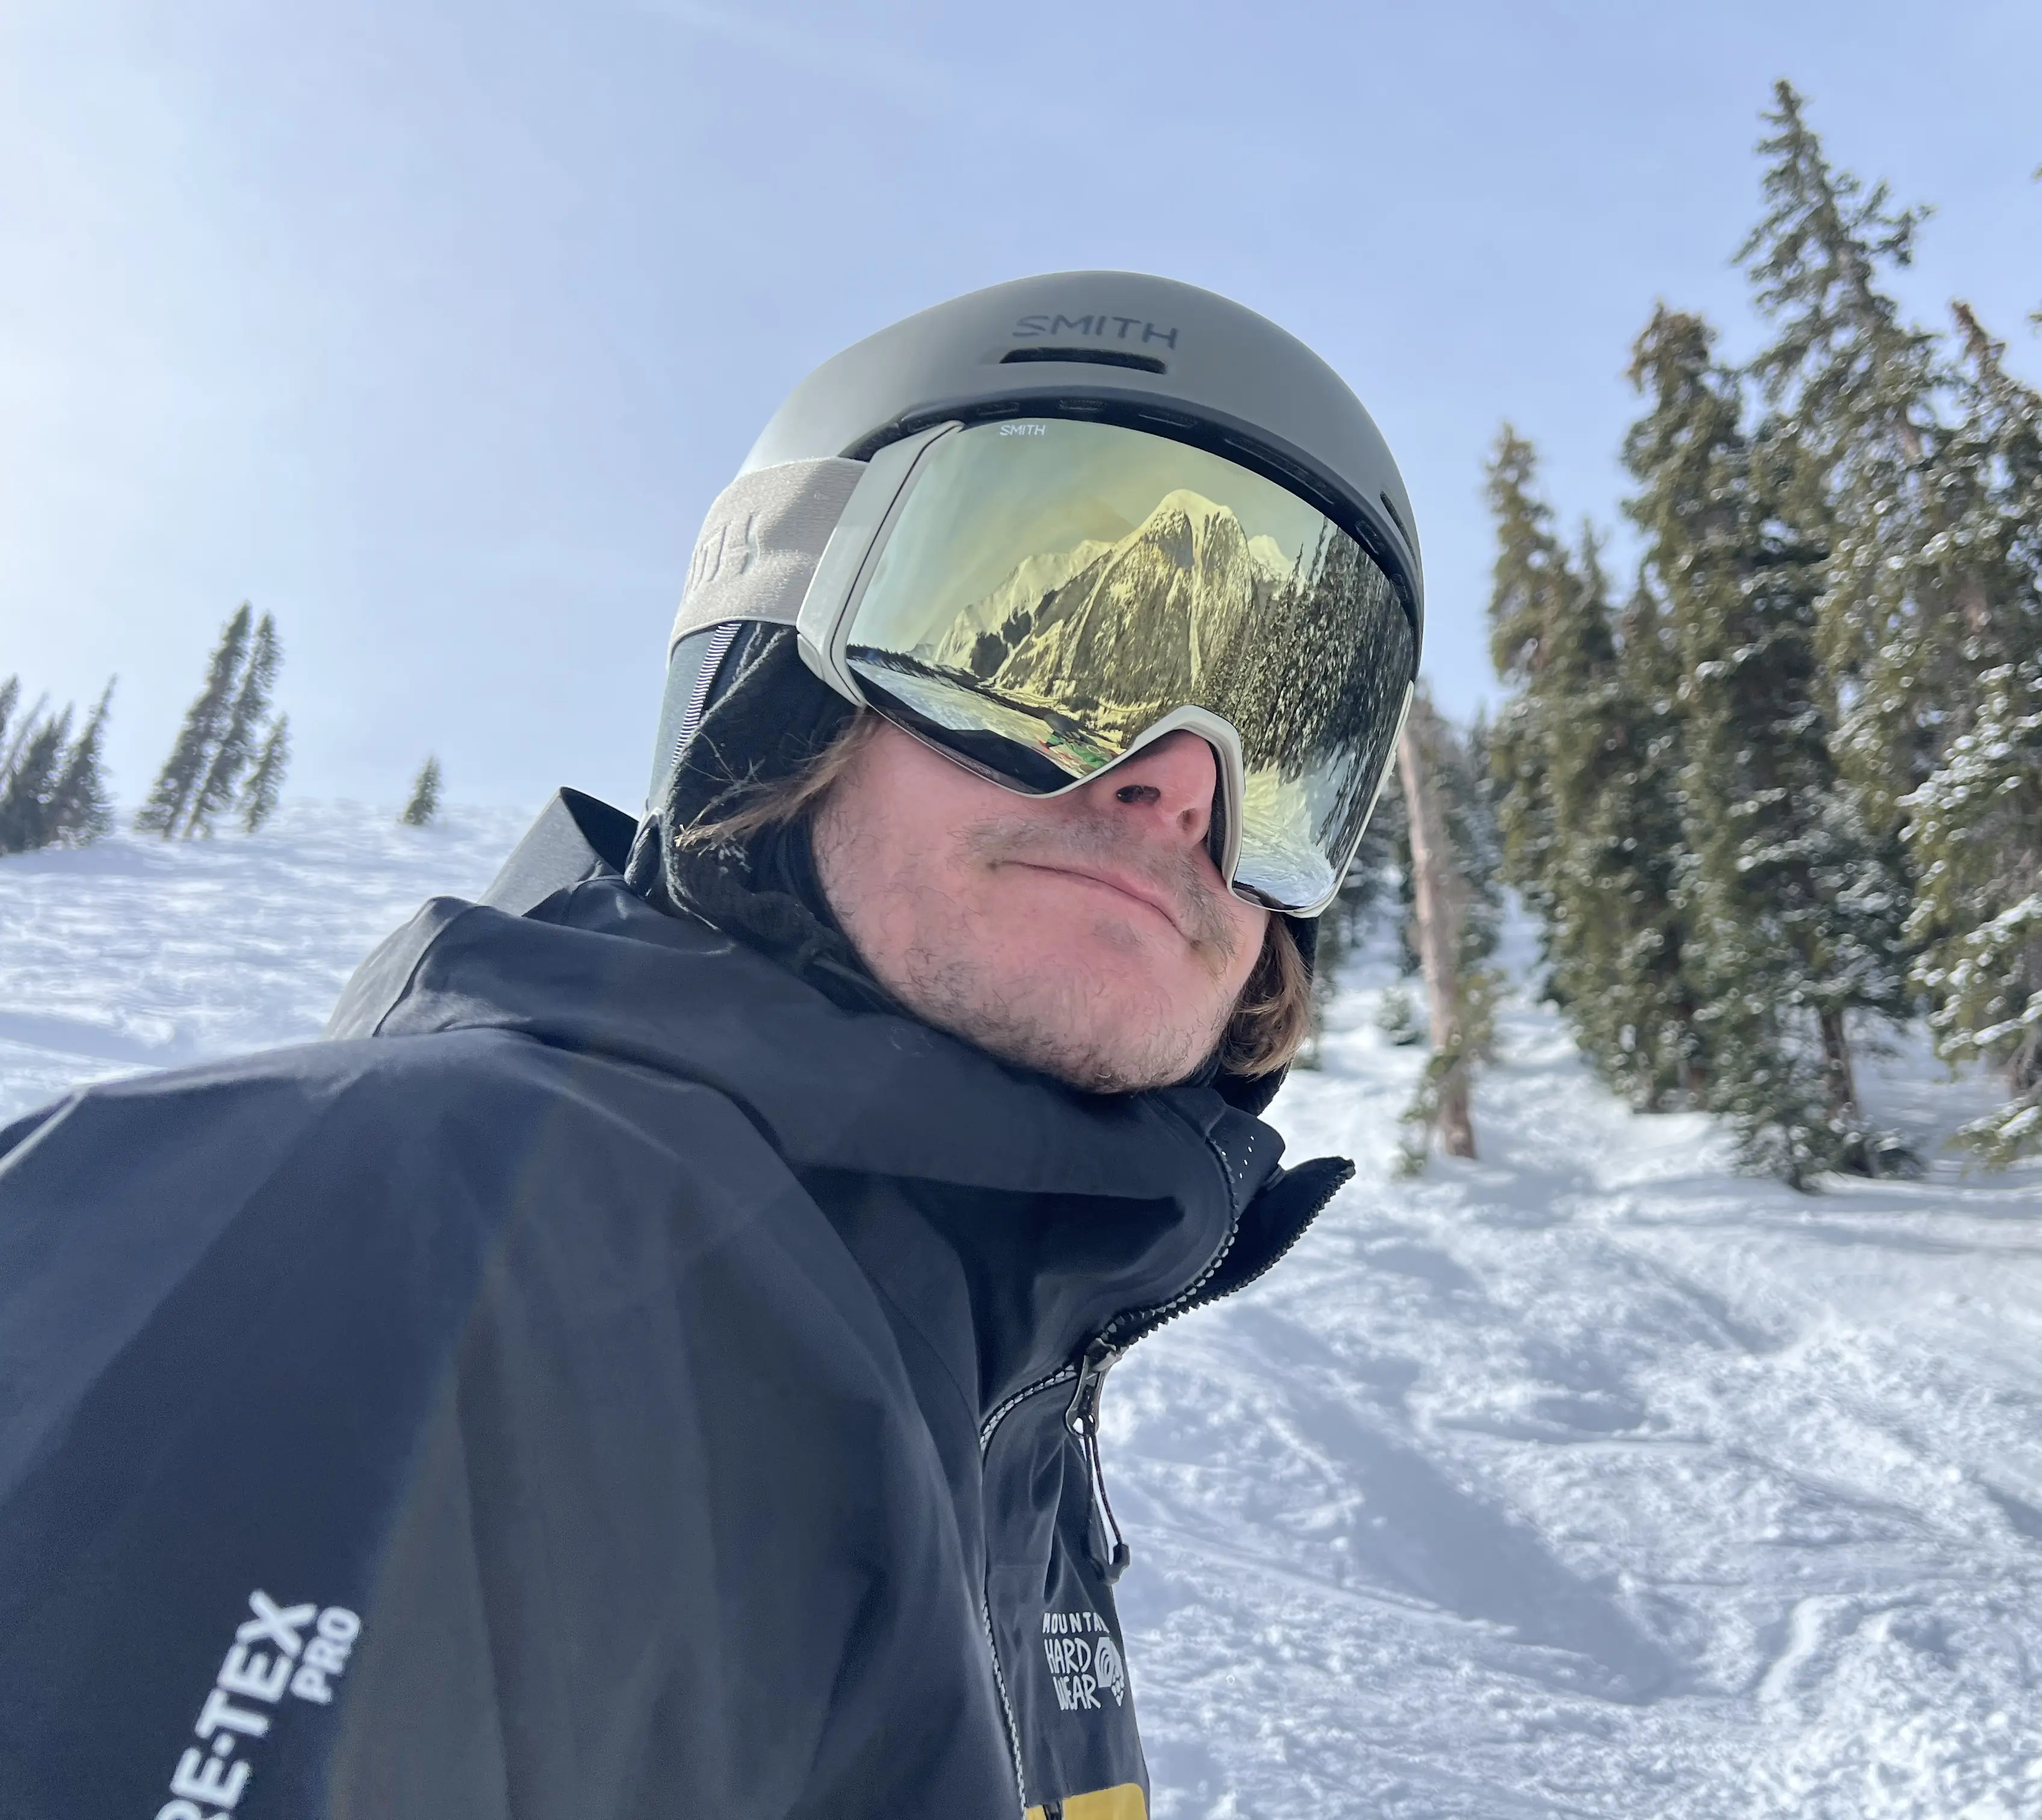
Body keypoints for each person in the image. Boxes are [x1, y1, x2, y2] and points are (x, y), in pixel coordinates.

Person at [0, 271, 1424, 1818]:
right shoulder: (390, 1238)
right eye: (1035, 659)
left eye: (1282, 737)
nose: (1180, 789)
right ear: (770, 677)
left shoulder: (1008, 1408)